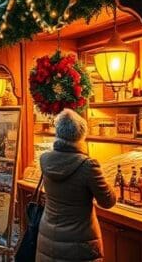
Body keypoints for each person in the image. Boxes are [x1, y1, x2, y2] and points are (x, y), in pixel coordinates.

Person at [36, 108, 115, 262]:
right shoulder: (88, 165)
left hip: (48, 235)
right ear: (81, 135)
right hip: (79, 242)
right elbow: (108, 201)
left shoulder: (44, 159)